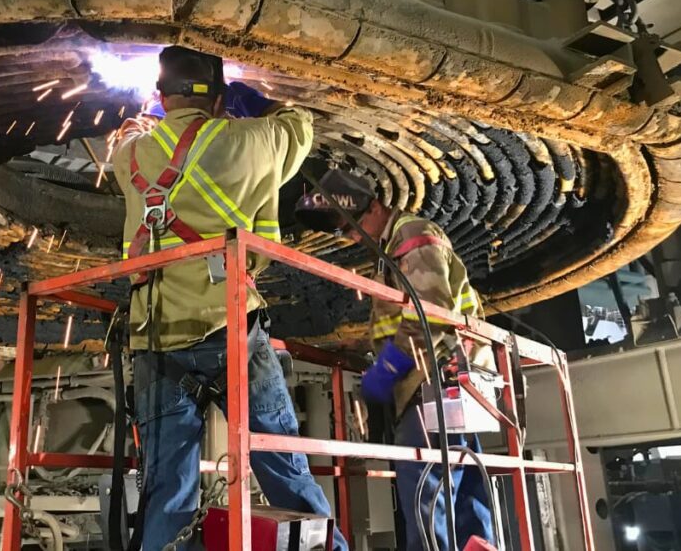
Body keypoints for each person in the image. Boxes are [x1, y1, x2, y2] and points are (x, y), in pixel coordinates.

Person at [113, 46, 348, 550]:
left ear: (160, 97)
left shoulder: (130, 154)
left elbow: (132, 138)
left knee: (167, 490)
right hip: (231, 330)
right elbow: (298, 126)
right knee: (282, 466)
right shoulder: (248, 140)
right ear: (219, 99)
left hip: (156, 339)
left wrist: (160, 121)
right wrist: (255, 104)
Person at [295, 169, 496, 551]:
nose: (350, 236)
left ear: (372, 206)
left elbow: (432, 312)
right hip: (452, 378)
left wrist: (387, 369)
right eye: (340, 231)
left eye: (350, 224)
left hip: (433, 380)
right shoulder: (392, 249)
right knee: (466, 493)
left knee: (426, 493)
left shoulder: (410, 234)